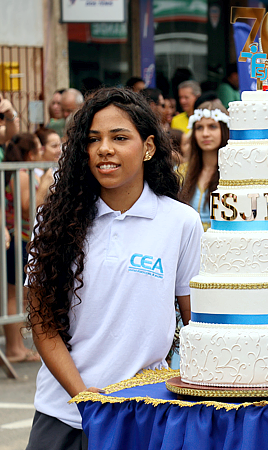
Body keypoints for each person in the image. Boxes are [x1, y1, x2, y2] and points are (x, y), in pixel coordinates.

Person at [24, 87, 203, 449]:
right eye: (94, 139)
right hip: (64, 414)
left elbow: (196, 323)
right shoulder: (55, 221)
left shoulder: (181, 222)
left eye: (119, 137)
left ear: (148, 147)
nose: (104, 149)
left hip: (145, 414)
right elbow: (43, 324)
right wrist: (84, 397)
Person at [3, 134, 52, 363]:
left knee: (17, 295)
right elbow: (28, 208)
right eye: (40, 148)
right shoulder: (22, 175)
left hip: (22, 239)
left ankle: (17, 347)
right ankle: (14, 348)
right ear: (30, 154)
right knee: (14, 295)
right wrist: (44, 185)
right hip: (18, 239)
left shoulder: (26, 173)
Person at [179, 99, 228, 230]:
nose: (205, 134)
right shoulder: (181, 172)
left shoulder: (235, 173)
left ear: (224, 130)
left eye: (212, 126)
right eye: (199, 128)